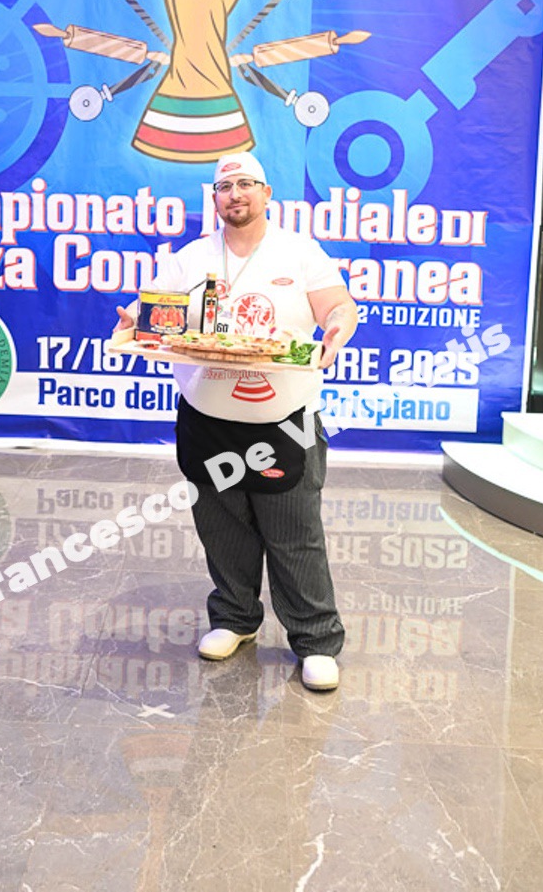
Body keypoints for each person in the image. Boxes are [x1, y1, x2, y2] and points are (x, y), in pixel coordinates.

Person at [116, 153, 358, 691]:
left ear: (267, 193)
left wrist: (339, 326)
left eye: (246, 183)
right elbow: (153, 315)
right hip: (208, 420)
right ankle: (235, 619)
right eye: (225, 186)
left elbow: (338, 306)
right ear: (215, 198)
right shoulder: (191, 258)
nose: (235, 194)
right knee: (222, 531)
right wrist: (133, 321)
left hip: (284, 423)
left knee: (295, 536)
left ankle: (316, 641)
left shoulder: (299, 252)